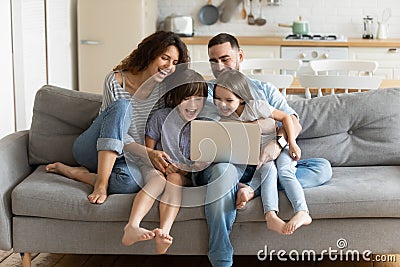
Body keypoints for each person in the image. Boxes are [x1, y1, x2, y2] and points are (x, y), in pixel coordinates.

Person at [198, 33, 332, 267]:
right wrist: (255, 127)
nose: (219, 67)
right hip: (225, 166)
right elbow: (203, 134)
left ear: (240, 56)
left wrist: (277, 144)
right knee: (223, 173)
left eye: (225, 59)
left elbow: (293, 122)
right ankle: (220, 256)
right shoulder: (206, 95)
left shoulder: (264, 90)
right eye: (213, 61)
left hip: (262, 163)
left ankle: (251, 189)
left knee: (322, 168)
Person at [45, 31, 190, 204]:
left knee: (127, 184)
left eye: (175, 63)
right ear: (150, 53)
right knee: (122, 106)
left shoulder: (164, 91)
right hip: (93, 148)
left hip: (127, 157)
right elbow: (112, 126)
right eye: (165, 58)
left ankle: (76, 173)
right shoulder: (115, 81)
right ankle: (101, 183)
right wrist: (148, 153)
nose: (169, 66)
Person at [214, 69, 312, 235]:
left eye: (229, 100)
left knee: (284, 170)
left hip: (281, 146)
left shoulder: (256, 106)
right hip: (262, 157)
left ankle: (302, 211)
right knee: (269, 170)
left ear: (241, 98)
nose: (222, 104)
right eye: (218, 99)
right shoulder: (225, 116)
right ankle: (271, 216)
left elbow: (286, 118)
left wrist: (293, 144)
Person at [121, 69, 209, 254]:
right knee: (157, 180)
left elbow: (198, 165)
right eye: (186, 98)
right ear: (175, 99)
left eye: (198, 99)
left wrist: (182, 169)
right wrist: (159, 164)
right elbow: (148, 151)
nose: (193, 104)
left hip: (181, 174)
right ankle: (132, 226)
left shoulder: (203, 126)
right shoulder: (160, 117)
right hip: (157, 168)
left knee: (175, 179)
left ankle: (164, 233)